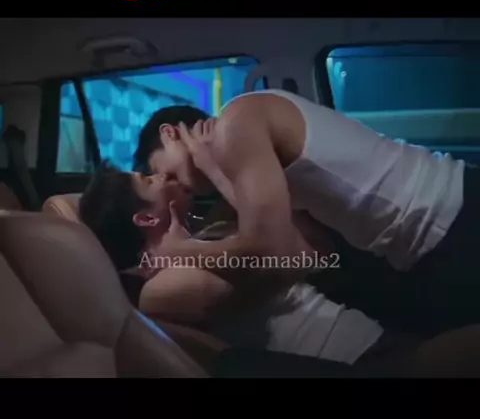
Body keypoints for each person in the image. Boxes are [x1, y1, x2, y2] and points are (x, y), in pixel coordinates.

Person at [132, 91, 480, 334]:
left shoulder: (235, 126)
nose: (174, 186)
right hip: (435, 227)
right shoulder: (239, 150)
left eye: (166, 173)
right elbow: (309, 248)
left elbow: (272, 250)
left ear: (170, 134)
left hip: (451, 216)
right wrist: (215, 171)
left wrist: (179, 250)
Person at [79, 161, 414, 366]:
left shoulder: (206, 233)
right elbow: (290, 260)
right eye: (149, 180)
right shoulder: (158, 289)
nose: (161, 175)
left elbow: (305, 246)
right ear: (146, 219)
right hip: (348, 359)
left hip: (362, 338)